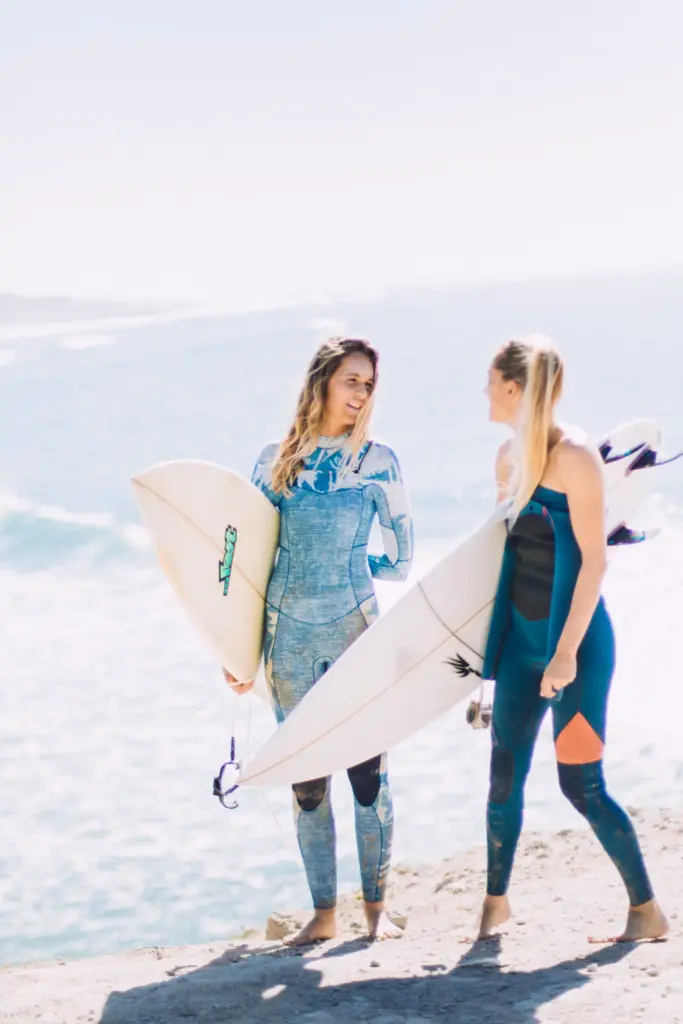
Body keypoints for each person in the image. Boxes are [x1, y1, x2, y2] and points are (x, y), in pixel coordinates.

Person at [474, 335, 668, 943]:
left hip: (577, 649)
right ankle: (493, 907)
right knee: (503, 776)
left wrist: (563, 654)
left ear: (513, 388)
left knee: (580, 785)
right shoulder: (508, 460)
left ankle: (647, 911)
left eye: (490, 381)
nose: (484, 391)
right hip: (519, 646)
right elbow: (500, 554)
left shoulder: (576, 457)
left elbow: (593, 561)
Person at [224, 336, 414, 945]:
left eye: (369, 384)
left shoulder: (379, 460)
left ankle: (377, 911)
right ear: (322, 383)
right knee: (306, 783)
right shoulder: (275, 461)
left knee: (368, 775)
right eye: (351, 380)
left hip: (356, 636)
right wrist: (237, 652)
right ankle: (324, 915)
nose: (361, 394)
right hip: (286, 644)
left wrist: (344, 570)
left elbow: (402, 561)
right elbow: (246, 566)